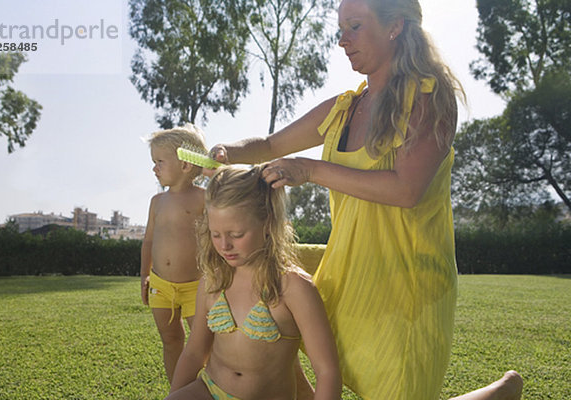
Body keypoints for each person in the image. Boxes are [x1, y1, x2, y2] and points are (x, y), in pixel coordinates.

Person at [207, 1, 520, 399]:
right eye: (341, 28)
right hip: (346, 267)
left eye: (354, 26)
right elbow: (269, 144)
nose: (342, 40)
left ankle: (502, 392)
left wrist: (311, 170)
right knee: (259, 273)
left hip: (405, 287)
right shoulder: (343, 108)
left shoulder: (429, 97)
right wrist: (225, 152)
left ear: (395, 27)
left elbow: (407, 190)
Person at [165, 165, 342, 400]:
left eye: (236, 235)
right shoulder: (213, 281)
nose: (224, 245)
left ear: (268, 224)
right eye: (215, 234)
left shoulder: (293, 287)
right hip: (210, 389)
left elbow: (327, 371)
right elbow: (195, 353)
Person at [141, 124, 207, 387]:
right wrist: (145, 274)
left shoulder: (205, 199)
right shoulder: (157, 202)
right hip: (160, 286)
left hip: (196, 288)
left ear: (186, 165)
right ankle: (178, 391)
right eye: (153, 162)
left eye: (159, 161)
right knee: (170, 341)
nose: (154, 168)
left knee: (203, 346)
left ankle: (210, 390)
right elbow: (148, 241)